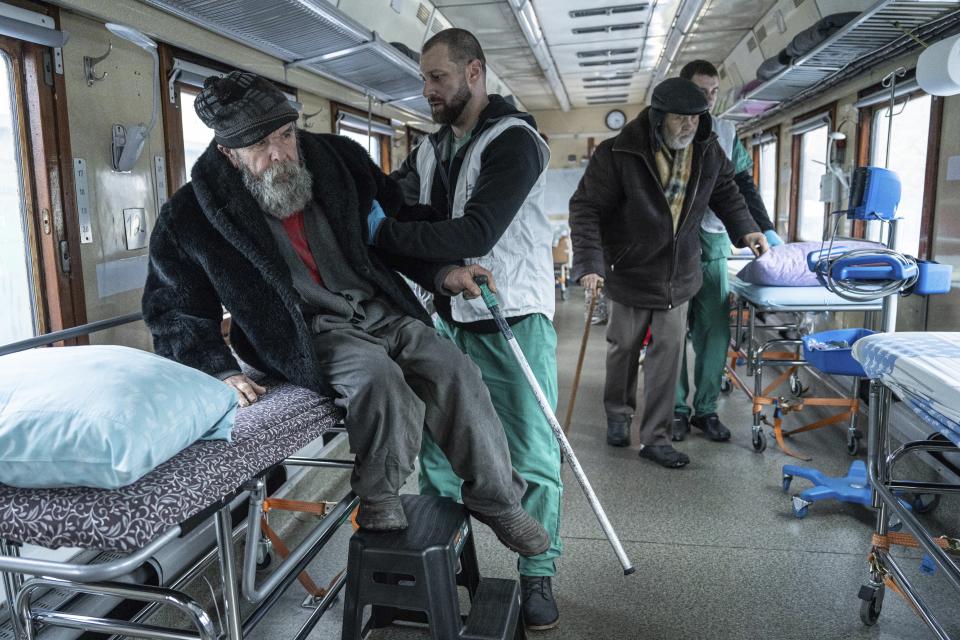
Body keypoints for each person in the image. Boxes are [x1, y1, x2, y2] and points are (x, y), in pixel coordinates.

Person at [141, 70, 550, 558]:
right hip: (308, 328)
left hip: (379, 305)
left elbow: (396, 225)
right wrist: (219, 370)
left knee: (455, 369)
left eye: (286, 136)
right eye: (261, 146)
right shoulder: (190, 214)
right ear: (229, 153)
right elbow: (176, 308)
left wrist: (443, 274)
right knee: (380, 380)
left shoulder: (338, 160)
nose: (282, 155)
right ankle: (378, 498)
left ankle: (498, 499)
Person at [367, 29, 562, 630]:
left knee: (530, 453)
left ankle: (539, 573)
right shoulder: (429, 151)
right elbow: (397, 204)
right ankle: (450, 559)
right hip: (443, 319)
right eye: (423, 79)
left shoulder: (515, 143)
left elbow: (474, 233)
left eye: (438, 78)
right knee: (441, 454)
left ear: (474, 73)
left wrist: (381, 235)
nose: (426, 91)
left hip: (513, 318)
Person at [569, 77, 768, 469]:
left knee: (668, 355)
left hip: (679, 274)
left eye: (696, 118)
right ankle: (618, 414)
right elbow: (586, 207)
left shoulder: (708, 151)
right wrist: (590, 263)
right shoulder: (618, 153)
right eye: (680, 118)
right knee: (623, 348)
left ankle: (655, 438)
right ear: (658, 117)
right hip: (629, 269)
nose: (689, 126)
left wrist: (747, 228)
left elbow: (726, 191)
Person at [672, 60, 784, 443]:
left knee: (715, 330)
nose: (708, 98)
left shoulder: (725, 131)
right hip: (672, 244)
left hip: (714, 238)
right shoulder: (666, 124)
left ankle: (705, 410)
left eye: (714, 91)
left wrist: (761, 227)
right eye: (701, 90)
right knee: (671, 331)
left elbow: (741, 186)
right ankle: (675, 410)